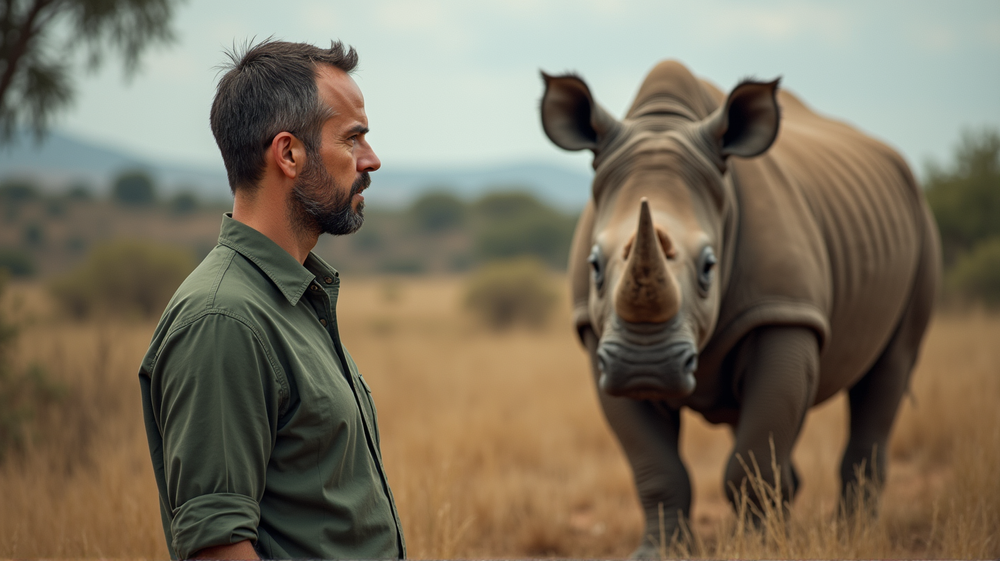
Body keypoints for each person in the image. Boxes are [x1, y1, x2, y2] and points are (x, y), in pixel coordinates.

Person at [138, 39, 405, 560]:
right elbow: (218, 548)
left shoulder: (290, 296)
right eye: (352, 139)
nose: (371, 159)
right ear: (288, 154)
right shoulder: (223, 319)